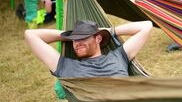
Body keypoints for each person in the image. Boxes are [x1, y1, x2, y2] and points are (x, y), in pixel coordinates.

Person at [25, 20, 153, 78]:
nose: (77, 43)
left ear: (98, 39)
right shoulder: (66, 65)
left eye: (83, 37)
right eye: (75, 39)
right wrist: (68, 36)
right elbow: (30, 34)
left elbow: (146, 26)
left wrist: (107, 31)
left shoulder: (118, 56)